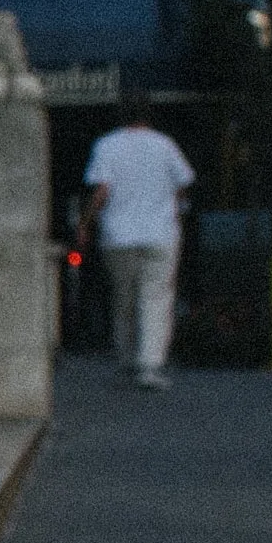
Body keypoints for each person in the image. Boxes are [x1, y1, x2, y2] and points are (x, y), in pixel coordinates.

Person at [78, 94, 195, 389]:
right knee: (155, 297)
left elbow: (101, 191)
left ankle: (127, 355)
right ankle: (150, 364)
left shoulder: (106, 145)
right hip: (160, 233)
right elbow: (182, 186)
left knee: (124, 295)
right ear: (149, 116)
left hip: (118, 235)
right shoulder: (165, 145)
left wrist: (85, 223)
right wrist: (178, 213)